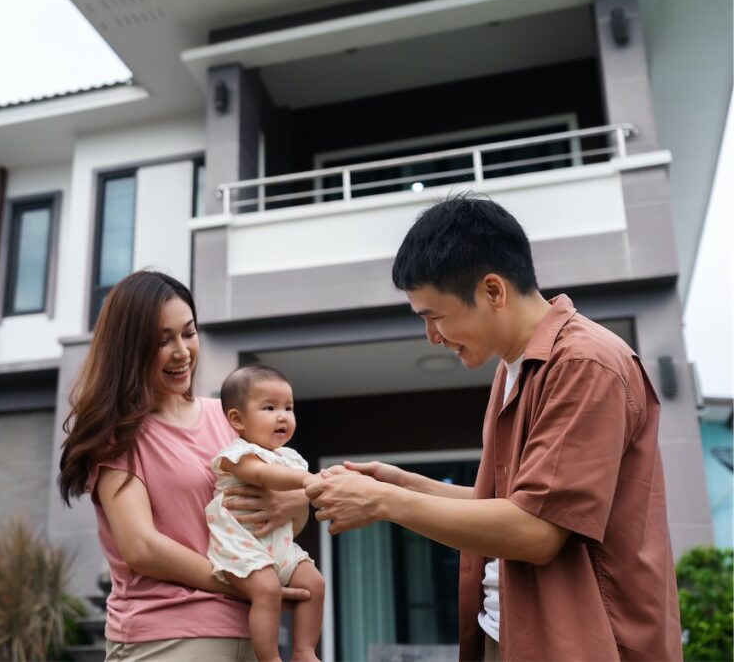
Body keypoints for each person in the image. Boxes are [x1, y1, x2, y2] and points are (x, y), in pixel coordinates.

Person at [305, 196, 682, 661]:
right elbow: (515, 504)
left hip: (582, 641)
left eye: (435, 316)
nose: (432, 337)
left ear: (493, 291)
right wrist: (403, 483)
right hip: (514, 631)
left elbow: (536, 532)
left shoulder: (586, 363)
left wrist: (385, 502)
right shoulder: (514, 369)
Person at [58, 270, 312, 662]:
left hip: (252, 636)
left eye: (188, 333)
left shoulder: (230, 419)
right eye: (162, 341)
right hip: (168, 637)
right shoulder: (119, 436)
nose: (182, 352)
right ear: (130, 349)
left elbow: (274, 522)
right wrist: (246, 586)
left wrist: (295, 507)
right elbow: (142, 547)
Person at [207, 365, 326, 662]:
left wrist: (307, 488)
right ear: (238, 419)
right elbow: (262, 475)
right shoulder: (236, 455)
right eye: (270, 407)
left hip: (279, 545)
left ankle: (304, 650)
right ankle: (269, 658)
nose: (283, 416)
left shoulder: (291, 458)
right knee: (268, 591)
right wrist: (306, 482)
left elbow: (296, 504)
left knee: (315, 583)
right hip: (241, 546)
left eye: (289, 407)